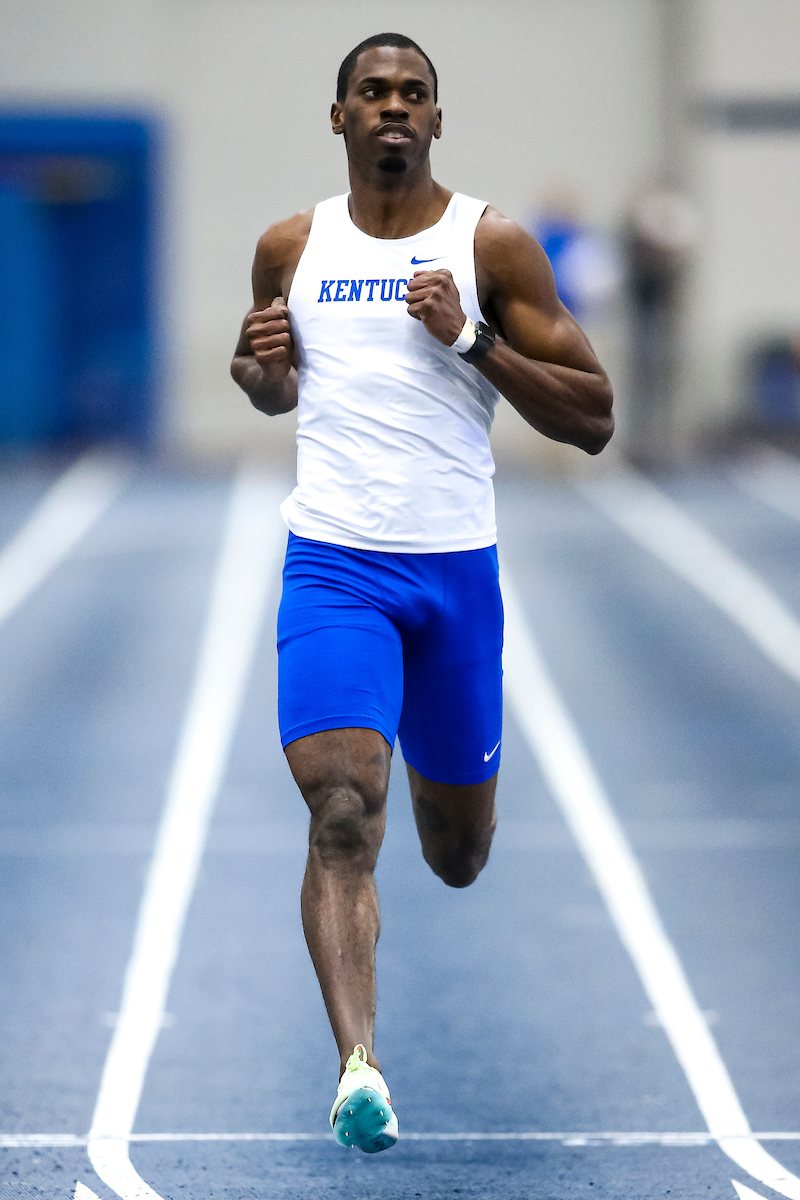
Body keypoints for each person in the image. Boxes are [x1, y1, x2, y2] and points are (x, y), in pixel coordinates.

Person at [231, 32, 613, 1154]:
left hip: (453, 577)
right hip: (334, 565)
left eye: (413, 94)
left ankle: (452, 814)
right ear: (338, 116)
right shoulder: (289, 247)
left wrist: (473, 338)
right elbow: (270, 387)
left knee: (456, 855)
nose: (393, 106)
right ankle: (359, 1068)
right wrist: (261, 373)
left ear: (436, 120)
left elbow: (593, 418)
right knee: (342, 814)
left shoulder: (490, 245)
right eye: (373, 92)